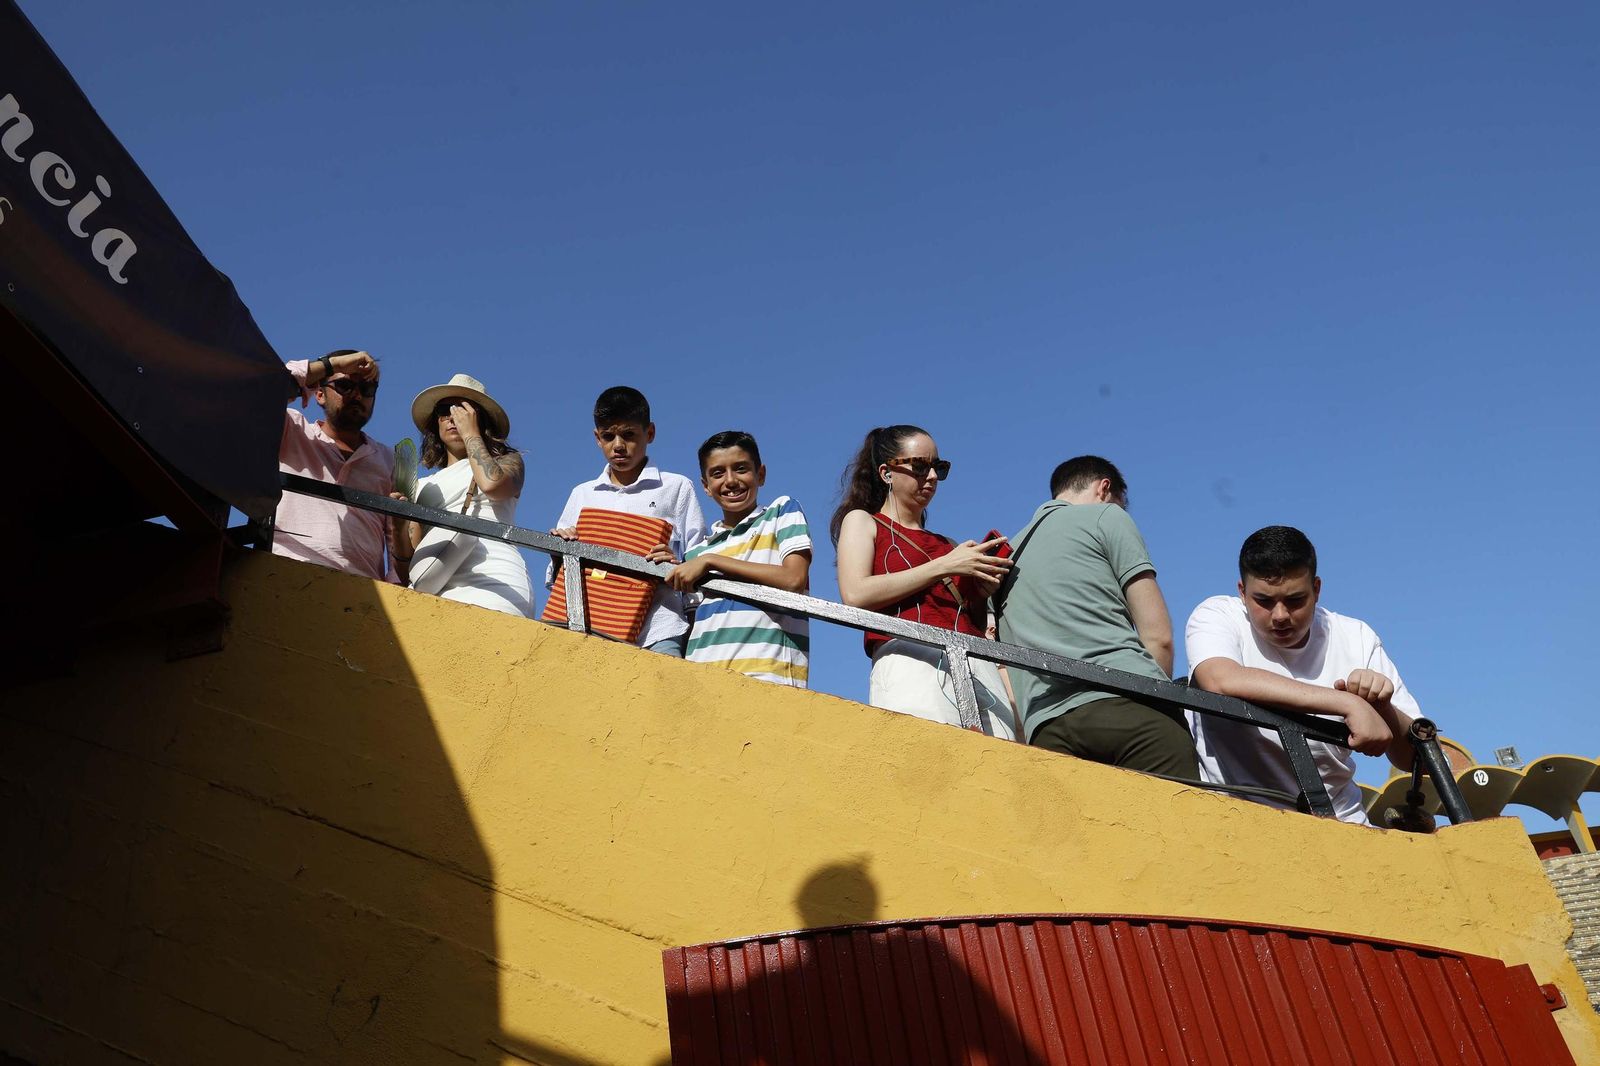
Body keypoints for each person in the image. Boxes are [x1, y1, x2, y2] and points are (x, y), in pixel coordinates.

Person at [1185, 525, 1417, 825]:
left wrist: (1380, 706)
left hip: (1340, 825)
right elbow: (1220, 680)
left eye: (1295, 600)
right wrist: (1347, 703)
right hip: (1239, 821)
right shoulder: (1217, 615)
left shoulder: (1356, 636)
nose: (1280, 615)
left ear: (1317, 589)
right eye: (1264, 601)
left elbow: (1414, 759)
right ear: (1242, 592)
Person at [995, 456, 1198, 777]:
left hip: (1048, 729)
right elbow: (1158, 636)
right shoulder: (1106, 516)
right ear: (1105, 488)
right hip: (1132, 708)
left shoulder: (1006, 555)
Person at [831, 425, 1016, 739]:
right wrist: (943, 565)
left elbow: (966, 620)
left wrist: (981, 593)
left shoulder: (948, 543)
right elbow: (855, 593)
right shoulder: (864, 521)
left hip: (977, 666)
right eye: (919, 466)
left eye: (938, 468)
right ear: (886, 472)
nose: (931, 476)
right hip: (910, 661)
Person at [549, 386, 707, 655]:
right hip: (589, 628)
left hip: (660, 630)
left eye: (629, 434)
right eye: (608, 436)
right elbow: (557, 577)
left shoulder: (677, 487)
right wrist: (559, 549)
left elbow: (698, 556)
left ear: (650, 433)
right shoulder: (582, 494)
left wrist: (677, 565)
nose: (618, 445)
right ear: (597, 438)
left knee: (659, 697)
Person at [666, 431, 813, 686]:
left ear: (761, 474)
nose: (731, 481)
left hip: (768, 676)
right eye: (718, 473)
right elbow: (691, 625)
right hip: (703, 679)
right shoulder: (695, 553)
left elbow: (794, 579)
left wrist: (713, 561)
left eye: (741, 469)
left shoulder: (781, 512)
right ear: (705, 486)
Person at [394, 374, 535, 618]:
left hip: (495, 582)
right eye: (444, 410)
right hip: (436, 587)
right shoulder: (424, 485)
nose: (453, 417)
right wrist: (397, 528)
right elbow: (406, 566)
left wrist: (471, 433)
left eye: (463, 410)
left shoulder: (509, 462)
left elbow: (492, 484)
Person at [273, 349, 406, 584]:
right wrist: (331, 364)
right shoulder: (292, 430)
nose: (357, 395)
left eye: (367, 389)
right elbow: (260, 389)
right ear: (319, 393)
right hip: (285, 573)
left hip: (363, 595)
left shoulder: (389, 460)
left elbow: (396, 544)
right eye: (345, 385)